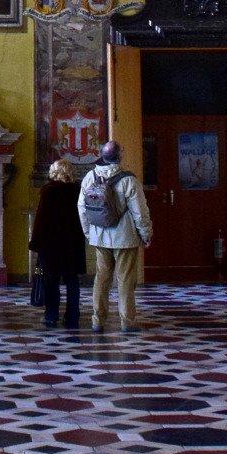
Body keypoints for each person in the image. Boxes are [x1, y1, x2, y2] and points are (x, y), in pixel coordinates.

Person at [79, 140, 152, 333]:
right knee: (126, 280)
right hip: (125, 237)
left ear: (103, 156)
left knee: (101, 278)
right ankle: (127, 322)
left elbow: (82, 208)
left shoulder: (90, 177)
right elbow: (140, 212)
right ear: (119, 156)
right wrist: (146, 233)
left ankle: (97, 321)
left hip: (99, 235)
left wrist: (88, 232)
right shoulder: (129, 180)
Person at [30, 160, 86, 328]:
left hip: (51, 243)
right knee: (72, 280)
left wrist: (35, 243)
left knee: (51, 281)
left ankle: (51, 315)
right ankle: (72, 316)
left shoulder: (48, 191)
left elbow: (41, 219)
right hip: (73, 241)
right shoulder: (77, 189)